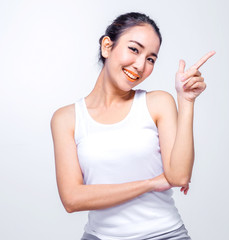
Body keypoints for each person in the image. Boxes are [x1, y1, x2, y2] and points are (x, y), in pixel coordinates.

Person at [50, 12, 215, 240]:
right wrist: (149, 183)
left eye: (151, 59)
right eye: (135, 49)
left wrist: (186, 102)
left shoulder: (157, 103)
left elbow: (179, 176)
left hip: (165, 235)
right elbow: (72, 199)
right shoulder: (66, 118)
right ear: (107, 46)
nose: (140, 65)